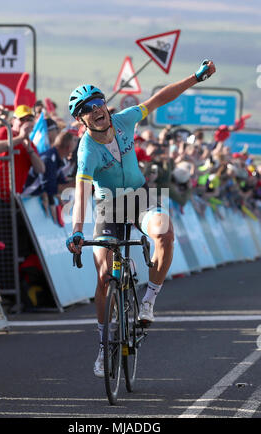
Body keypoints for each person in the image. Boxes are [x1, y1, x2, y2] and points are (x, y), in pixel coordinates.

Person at [66, 60, 216, 377]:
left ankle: (148, 300)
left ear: (105, 105)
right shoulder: (87, 150)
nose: (96, 110)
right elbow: (80, 193)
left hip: (139, 196)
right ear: (81, 119)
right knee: (104, 274)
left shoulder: (125, 120)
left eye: (98, 102)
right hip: (108, 207)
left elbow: (160, 98)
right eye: (87, 108)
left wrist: (195, 78)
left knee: (164, 233)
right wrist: (77, 231)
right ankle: (104, 344)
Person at [0, 105, 45, 201]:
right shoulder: (5, 131)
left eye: (29, 119)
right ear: (13, 120)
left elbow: (41, 169)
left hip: (12, 197)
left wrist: (30, 150)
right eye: (22, 119)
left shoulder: (30, 143)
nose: (26, 123)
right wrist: (21, 137)